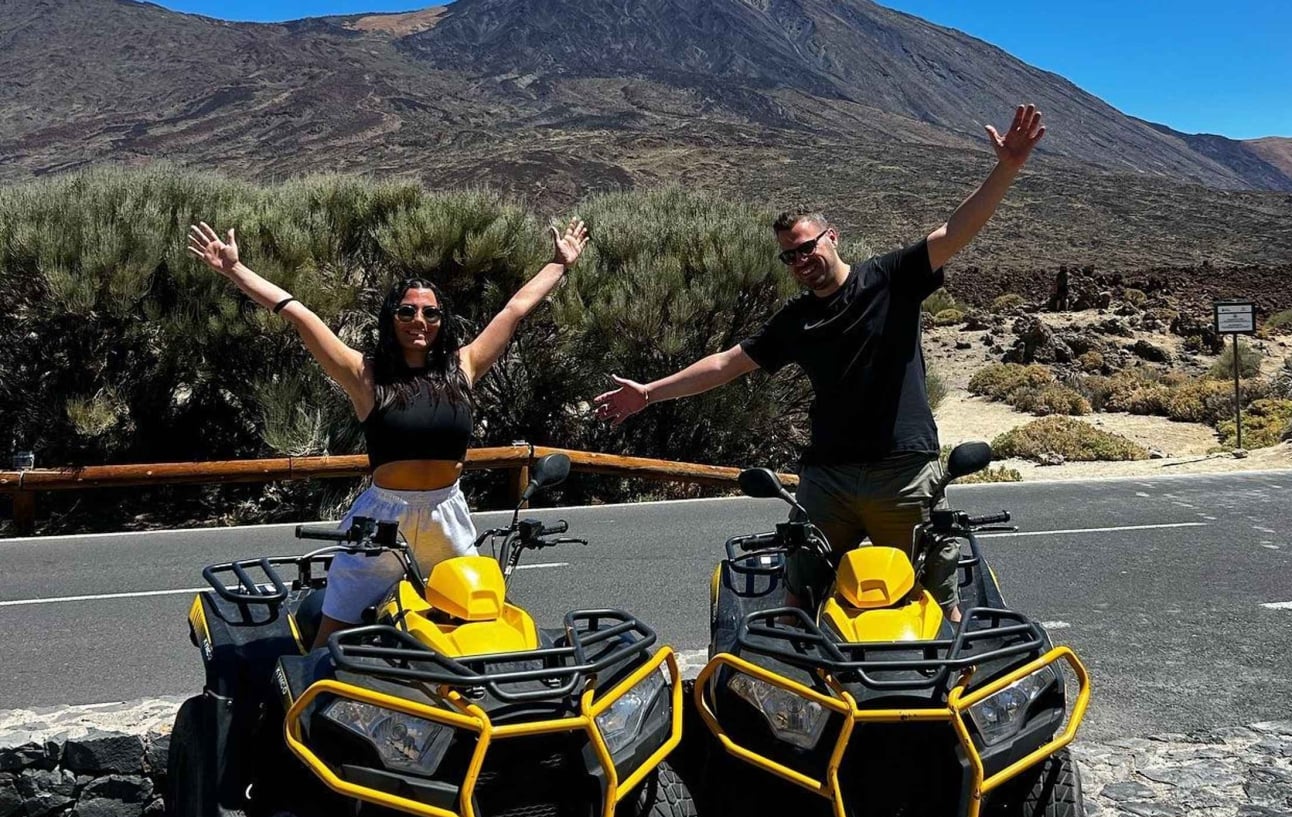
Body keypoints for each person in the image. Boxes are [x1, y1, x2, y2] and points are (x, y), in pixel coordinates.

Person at [594, 105, 1045, 621]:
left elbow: (955, 232)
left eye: (807, 247)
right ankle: (807, 697)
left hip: (903, 471)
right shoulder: (795, 320)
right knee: (799, 597)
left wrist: (1006, 167)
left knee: (938, 602)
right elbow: (726, 365)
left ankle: (954, 692)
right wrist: (649, 393)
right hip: (827, 478)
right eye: (789, 256)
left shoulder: (889, 279)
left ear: (833, 237)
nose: (801, 261)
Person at [189, 218, 590, 646]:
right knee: (334, 640)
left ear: (442, 320)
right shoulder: (365, 376)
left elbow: (514, 310)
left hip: (447, 520)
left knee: (476, 630)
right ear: (392, 318)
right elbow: (299, 315)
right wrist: (234, 270)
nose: (419, 320)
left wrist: (558, 265)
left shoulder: (464, 366)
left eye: (430, 312)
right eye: (407, 311)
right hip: (381, 520)